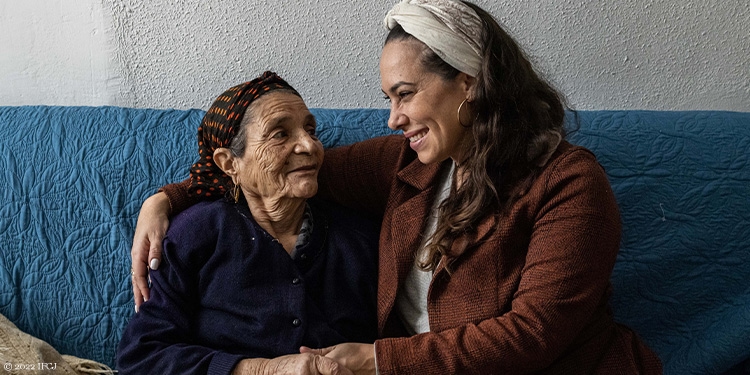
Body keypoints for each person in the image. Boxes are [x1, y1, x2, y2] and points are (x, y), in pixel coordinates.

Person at [130, 1, 663, 374]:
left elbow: (534, 334)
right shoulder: (408, 163)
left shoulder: (568, 183)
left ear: (470, 84)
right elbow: (277, 173)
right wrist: (166, 200)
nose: (392, 119)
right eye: (389, 97)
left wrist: (379, 359)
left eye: (405, 94)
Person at [118, 71, 378, 375]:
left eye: (311, 130)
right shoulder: (195, 234)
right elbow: (142, 356)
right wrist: (262, 371)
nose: (309, 145)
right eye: (280, 134)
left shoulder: (358, 240)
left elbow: (398, 345)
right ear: (230, 164)